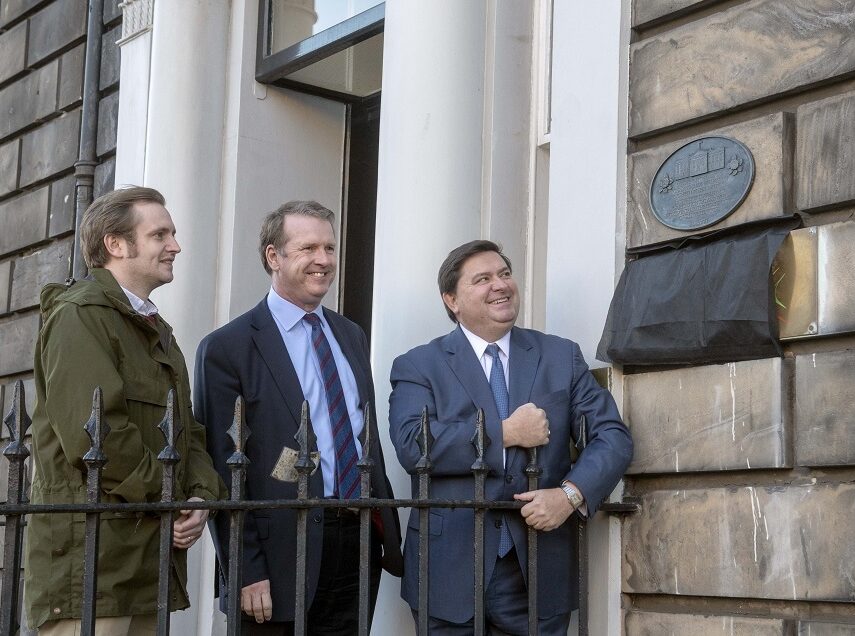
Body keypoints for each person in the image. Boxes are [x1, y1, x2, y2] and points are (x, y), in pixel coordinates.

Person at [389, 240, 633, 635]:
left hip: (537, 571)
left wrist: (569, 495)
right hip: (447, 571)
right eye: (482, 279)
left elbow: (613, 437)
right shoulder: (419, 365)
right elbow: (412, 444)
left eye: (504, 274)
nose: (500, 285)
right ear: (452, 300)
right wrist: (504, 433)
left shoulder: (560, 356)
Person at [194, 200, 403, 634]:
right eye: (308, 248)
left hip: (357, 541)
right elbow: (222, 465)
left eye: (329, 248)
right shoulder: (228, 348)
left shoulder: (350, 334)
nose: (324, 260)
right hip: (276, 555)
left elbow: (364, 436)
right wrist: (244, 567)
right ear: (274, 256)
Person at [24, 186, 224, 634]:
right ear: (116, 244)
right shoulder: (81, 315)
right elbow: (98, 436)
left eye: (172, 234)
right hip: (90, 568)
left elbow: (187, 433)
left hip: (145, 564)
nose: (175, 245)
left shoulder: (156, 330)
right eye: (160, 235)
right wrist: (169, 499)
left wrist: (198, 495)